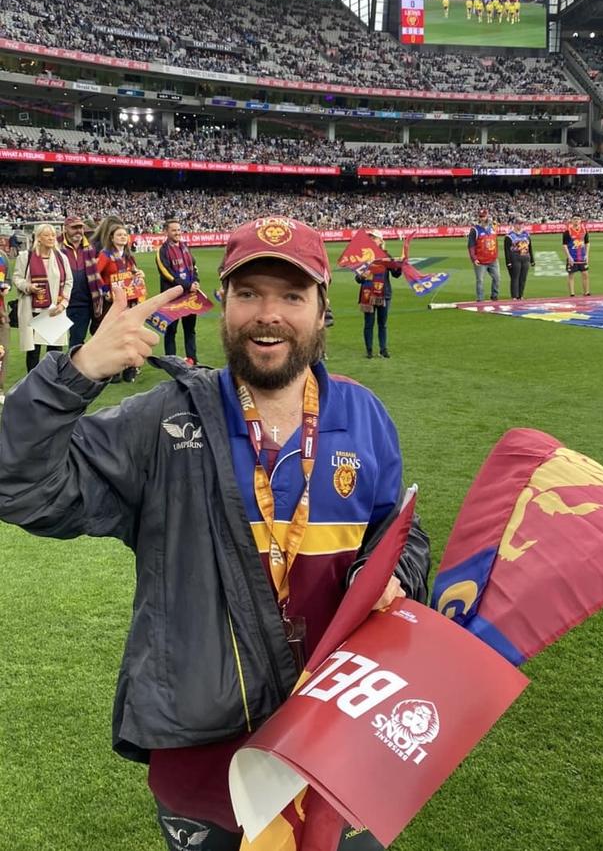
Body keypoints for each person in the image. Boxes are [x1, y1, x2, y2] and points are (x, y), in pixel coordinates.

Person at [0, 215, 430, 851]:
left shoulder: (364, 416)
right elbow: (18, 483)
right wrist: (79, 370)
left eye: (291, 296)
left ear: (320, 310)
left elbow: (398, 533)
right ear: (222, 304)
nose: (269, 315)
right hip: (206, 761)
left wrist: (398, 576)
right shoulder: (163, 421)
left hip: (336, 747)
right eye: (249, 293)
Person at [12, 223, 73, 373]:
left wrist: (64, 303)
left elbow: (69, 282)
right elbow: (17, 278)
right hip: (33, 310)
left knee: (55, 351)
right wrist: (28, 287)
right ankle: (32, 381)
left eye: (53, 235)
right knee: (33, 352)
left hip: (54, 310)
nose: (51, 238)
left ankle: (52, 380)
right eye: (47, 235)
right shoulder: (26, 257)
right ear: (38, 238)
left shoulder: (61, 257)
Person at [96, 222, 147, 382]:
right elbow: (95, 274)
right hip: (112, 303)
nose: (122, 237)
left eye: (125, 235)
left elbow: (134, 274)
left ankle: (130, 368)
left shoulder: (128, 256)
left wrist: (139, 274)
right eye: (119, 235)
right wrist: (105, 291)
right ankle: (113, 370)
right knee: (115, 335)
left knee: (130, 333)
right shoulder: (105, 255)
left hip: (129, 301)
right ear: (111, 237)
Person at [156, 218, 200, 366]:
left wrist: (196, 281)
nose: (177, 233)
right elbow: (167, 273)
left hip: (189, 297)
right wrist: (187, 285)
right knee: (171, 330)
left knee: (190, 330)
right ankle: (171, 362)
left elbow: (194, 266)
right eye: (174, 230)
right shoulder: (162, 251)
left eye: (179, 230)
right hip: (172, 298)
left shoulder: (185, 247)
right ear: (166, 232)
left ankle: (192, 360)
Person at [355, 229, 402, 358]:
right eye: (370, 237)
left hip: (384, 294)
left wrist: (400, 265)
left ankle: (383, 349)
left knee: (382, 323)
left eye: (374, 237)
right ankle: (369, 350)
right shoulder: (364, 257)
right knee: (369, 323)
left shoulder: (386, 256)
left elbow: (396, 274)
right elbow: (358, 278)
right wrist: (363, 276)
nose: (371, 239)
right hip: (368, 294)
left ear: (381, 240)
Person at [58, 214, 103, 349]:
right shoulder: (56, 246)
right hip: (60, 302)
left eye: (80, 227)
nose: (78, 231)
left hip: (83, 302)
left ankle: (72, 369)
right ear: (65, 228)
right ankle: (54, 369)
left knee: (77, 341)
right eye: (74, 227)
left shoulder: (90, 248)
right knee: (55, 343)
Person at [468, 209, 500, 302]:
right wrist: (474, 258)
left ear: (487, 216)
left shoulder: (493, 228)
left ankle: (494, 296)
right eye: (481, 216)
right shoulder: (475, 230)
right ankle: (480, 299)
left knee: (497, 278)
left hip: (493, 260)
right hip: (481, 261)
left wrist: (496, 254)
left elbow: (495, 242)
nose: (482, 218)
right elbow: (471, 245)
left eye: (484, 216)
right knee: (480, 280)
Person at [504, 216, 535, 300]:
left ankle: (520, 295)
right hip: (515, 257)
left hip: (525, 257)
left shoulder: (526, 234)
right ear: (514, 225)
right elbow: (506, 250)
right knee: (515, 277)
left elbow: (530, 247)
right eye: (518, 224)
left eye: (522, 224)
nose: (520, 225)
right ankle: (514, 296)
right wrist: (508, 262)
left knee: (523, 278)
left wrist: (532, 259)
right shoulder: (509, 236)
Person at [562, 214, 590, 297]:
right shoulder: (568, 231)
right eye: (574, 219)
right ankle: (572, 294)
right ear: (572, 220)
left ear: (580, 220)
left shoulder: (584, 230)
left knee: (585, 274)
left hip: (582, 256)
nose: (576, 221)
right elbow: (564, 245)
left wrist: (587, 255)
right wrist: (569, 256)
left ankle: (586, 292)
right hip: (572, 256)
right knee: (571, 275)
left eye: (578, 219)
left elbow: (587, 243)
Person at [0, 247, 10, 403]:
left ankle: (0, 389)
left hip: (1, 311)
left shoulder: (2, 257)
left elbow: (6, 280)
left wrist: (5, 287)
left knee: (3, 350)